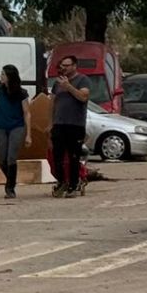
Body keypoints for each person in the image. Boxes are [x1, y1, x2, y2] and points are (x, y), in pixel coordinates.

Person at [50, 54, 94, 198]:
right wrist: (50, 122)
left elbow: (83, 97)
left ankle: (74, 184)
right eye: (62, 65)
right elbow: (52, 103)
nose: (64, 68)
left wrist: (68, 87)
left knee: (74, 156)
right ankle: (61, 182)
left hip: (75, 124)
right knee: (57, 156)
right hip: (59, 124)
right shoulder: (57, 83)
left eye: (67, 65)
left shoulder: (83, 80)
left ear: (74, 66)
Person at [0, 64, 30, 200]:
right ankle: (11, 179)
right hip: (1, 126)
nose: (0, 77)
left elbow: (26, 112)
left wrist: (28, 133)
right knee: (1, 158)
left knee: (11, 157)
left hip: (17, 126)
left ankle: (10, 188)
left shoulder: (21, 93)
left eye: (3, 74)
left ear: (9, 77)